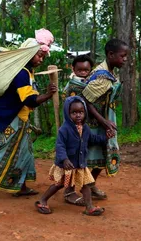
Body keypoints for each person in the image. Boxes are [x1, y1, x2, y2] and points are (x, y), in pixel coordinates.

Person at [0, 29, 58, 203]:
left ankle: (21, 186)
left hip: (17, 118)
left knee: (24, 152)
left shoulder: (27, 72)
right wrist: (47, 95)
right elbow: (29, 100)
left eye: (43, 57)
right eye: (39, 56)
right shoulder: (21, 73)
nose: (41, 59)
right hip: (2, 118)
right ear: (29, 54)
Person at [65, 39, 128, 203]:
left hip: (104, 120)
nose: (125, 59)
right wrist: (104, 121)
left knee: (103, 152)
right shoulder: (101, 76)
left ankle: (90, 184)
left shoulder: (110, 72)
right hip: (93, 123)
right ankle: (69, 191)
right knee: (81, 155)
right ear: (111, 54)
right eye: (123, 56)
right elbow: (85, 99)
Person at [35, 96, 107, 215]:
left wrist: (105, 139)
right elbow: (60, 146)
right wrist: (64, 159)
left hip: (80, 164)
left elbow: (92, 139)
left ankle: (89, 207)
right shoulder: (64, 129)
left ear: (85, 113)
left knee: (86, 185)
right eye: (74, 112)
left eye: (81, 112)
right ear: (68, 114)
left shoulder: (85, 128)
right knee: (59, 184)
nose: (78, 115)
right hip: (67, 165)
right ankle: (42, 200)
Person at [62, 55, 94, 205]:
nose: (82, 72)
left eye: (86, 70)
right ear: (73, 69)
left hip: (80, 126)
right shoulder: (74, 85)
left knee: (79, 160)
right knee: (71, 161)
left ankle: (85, 189)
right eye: (79, 70)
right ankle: (68, 191)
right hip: (71, 128)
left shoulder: (87, 83)